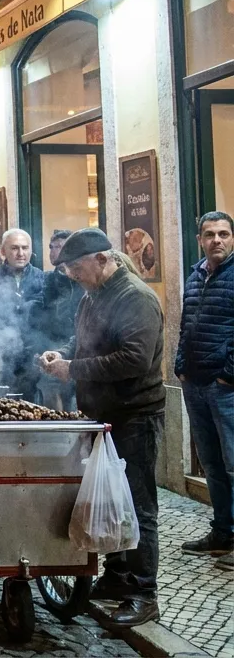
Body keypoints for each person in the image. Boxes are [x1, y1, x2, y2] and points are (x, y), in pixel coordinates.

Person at [39, 228, 164, 627]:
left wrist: (73, 369)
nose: (72, 275)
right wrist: (63, 355)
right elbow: (84, 342)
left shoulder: (135, 298)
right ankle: (116, 574)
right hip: (102, 415)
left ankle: (143, 592)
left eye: (76, 267)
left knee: (138, 505)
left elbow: (134, 360)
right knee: (110, 499)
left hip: (134, 416)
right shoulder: (92, 296)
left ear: (102, 259)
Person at [175, 212, 234, 562]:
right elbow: (186, 324)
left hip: (225, 388)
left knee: (233, 464)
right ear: (200, 240)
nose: (217, 240)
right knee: (211, 464)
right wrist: (181, 366)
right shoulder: (196, 275)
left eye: (224, 234)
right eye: (210, 234)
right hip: (195, 384)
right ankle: (223, 532)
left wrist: (228, 374)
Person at [0, 229, 45, 396]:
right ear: (3, 252)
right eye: (14, 248)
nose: (21, 253)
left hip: (32, 364)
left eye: (25, 248)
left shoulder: (42, 279)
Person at [38, 230, 81, 412]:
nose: (54, 251)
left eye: (60, 247)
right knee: (51, 393)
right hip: (52, 346)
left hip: (78, 349)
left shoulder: (81, 279)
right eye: (52, 247)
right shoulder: (46, 279)